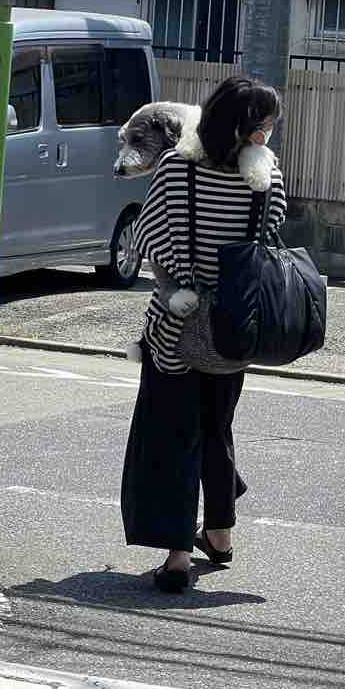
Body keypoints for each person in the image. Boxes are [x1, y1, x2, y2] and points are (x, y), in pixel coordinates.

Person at [121, 76, 287, 593]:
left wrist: (181, 279)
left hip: (175, 324)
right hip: (233, 328)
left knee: (172, 435)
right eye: (265, 124)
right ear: (248, 128)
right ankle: (219, 534)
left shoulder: (176, 169)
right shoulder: (267, 178)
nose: (268, 133)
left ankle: (176, 558)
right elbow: (270, 237)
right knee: (217, 426)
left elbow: (150, 237)